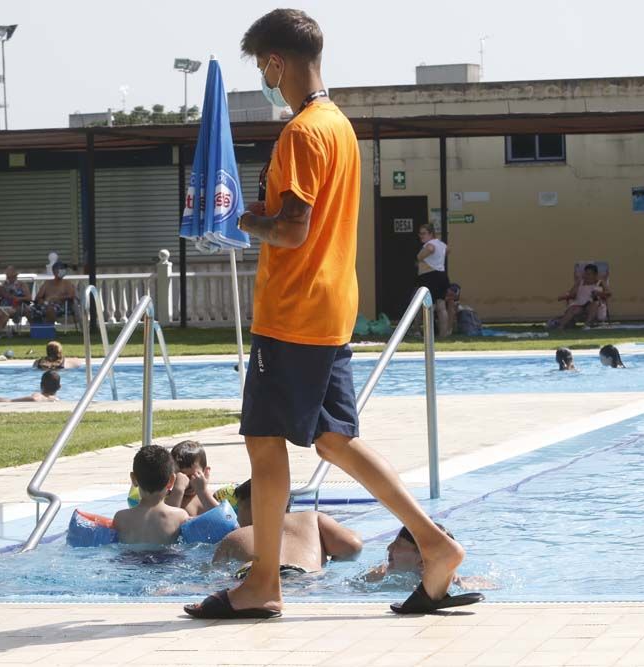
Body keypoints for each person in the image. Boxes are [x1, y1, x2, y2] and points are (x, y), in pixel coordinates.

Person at [184, 9, 477, 621]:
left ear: (274, 63)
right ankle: (435, 543)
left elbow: (292, 231)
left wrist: (240, 221)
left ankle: (264, 582)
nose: (264, 78)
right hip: (329, 307)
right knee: (336, 440)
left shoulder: (300, 134)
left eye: (262, 67)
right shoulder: (339, 127)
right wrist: (264, 213)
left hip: (292, 311)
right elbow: (307, 221)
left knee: (265, 442)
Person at [214, 478, 363, 576]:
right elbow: (353, 545)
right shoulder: (312, 518)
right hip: (304, 575)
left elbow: (215, 575)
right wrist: (327, 560)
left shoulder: (236, 536)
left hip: (255, 576)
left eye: (239, 509)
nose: (238, 517)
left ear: (252, 506)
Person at [364, 524, 491, 593]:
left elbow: (488, 585)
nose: (389, 547)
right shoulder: (380, 575)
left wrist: (461, 585)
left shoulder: (455, 584)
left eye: (397, 545)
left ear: (423, 561)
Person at [112, 445, 189, 545]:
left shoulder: (120, 518)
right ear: (171, 480)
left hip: (130, 559)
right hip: (167, 559)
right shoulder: (180, 516)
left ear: (133, 479)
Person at [167, 440, 222, 517]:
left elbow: (225, 519)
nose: (187, 483)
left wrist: (202, 492)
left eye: (193, 476)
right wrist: (178, 490)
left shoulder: (215, 497)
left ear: (206, 473)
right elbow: (166, 521)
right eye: (181, 477)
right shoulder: (168, 500)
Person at [550, 263, 610, 330]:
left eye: (589, 274)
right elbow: (572, 293)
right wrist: (564, 297)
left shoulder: (600, 282)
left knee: (595, 304)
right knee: (573, 308)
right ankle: (560, 326)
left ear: (595, 275)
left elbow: (608, 293)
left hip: (594, 305)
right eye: (586, 273)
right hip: (580, 303)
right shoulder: (580, 282)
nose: (587, 276)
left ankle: (586, 325)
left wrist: (599, 293)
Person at [415, 224, 450, 338]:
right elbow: (448, 249)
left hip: (430, 277)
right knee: (441, 306)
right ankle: (443, 334)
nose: (421, 236)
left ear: (431, 234)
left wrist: (420, 256)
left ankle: (419, 331)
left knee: (424, 305)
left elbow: (430, 249)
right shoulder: (441, 244)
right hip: (441, 275)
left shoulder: (430, 245)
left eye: (424, 233)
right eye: (420, 233)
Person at [0, 266, 31, 336]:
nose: (8, 278)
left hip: (18, 306)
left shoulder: (22, 285)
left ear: (15, 276)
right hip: (5, 306)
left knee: (5, 313)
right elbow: (3, 296)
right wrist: (0, 292)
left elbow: (29, 298)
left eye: (10, 277)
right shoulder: (5, 284)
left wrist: (18, 298)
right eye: (7, 277)